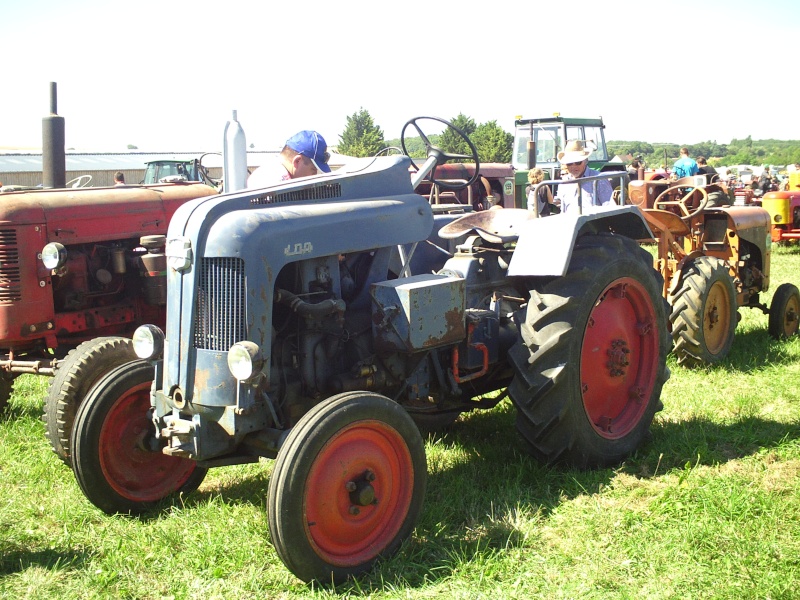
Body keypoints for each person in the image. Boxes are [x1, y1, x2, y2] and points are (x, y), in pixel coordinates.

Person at [247, 130, 331, 188]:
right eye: (313, 169)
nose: (315, 174)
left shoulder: (270, 170)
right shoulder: (277, 184)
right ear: (297, 161)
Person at [553, 140, 614, 214]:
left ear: (585, 161)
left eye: (578, 162)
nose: (573, 166)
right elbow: (563, 210)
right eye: (569, 163)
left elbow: (609, 208)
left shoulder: (599, 180)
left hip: (593, 224)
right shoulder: (564, 183)